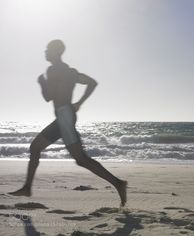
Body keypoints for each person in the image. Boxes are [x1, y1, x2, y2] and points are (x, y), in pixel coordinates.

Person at [9, 40, 127, 207]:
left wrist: (42, 83)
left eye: (48, 49)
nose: (45, 52)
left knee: (81, 159)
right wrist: (79, 102)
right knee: (37, 148)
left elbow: (48, 96)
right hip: (64, 117)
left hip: (64, 118)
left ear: (56, 52)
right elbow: (92, 82)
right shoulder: (71, 72)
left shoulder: (53, 70)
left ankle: (118, 183)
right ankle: (27, 187)